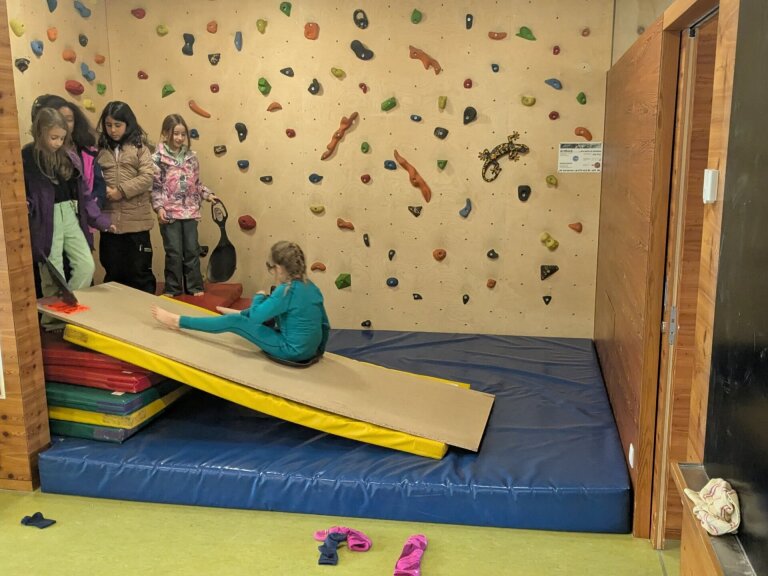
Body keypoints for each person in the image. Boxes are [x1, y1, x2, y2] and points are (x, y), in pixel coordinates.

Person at [152, 241, 330, 362]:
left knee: (234, 321)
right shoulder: (311, 287)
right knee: (266, 314)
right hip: (310, 350)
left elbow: (256, 318)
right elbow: (325, 324)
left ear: (279, 268)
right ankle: (237, 313)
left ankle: (177, 321)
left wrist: (258, 297)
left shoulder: (285, 291)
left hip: (291, 351)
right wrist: (318, 352)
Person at [23, 108, 114, 329]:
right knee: (52, 271)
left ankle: (67, 311)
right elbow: (24, 191)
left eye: (62, 138)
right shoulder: (27, 156)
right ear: (40, 133)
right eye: (53, 137)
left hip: (70, 213)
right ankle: (53, 321)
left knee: (86, 265)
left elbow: (84, 194)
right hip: (46, 217)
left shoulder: (69, 156)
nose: (58, 143)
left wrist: (99, 220)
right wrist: (27, 205)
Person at [151, 114, 217, 297]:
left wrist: (207, 194)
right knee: (173, 251)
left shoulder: (191, 157)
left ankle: (195, 287)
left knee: (191, 250)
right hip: (169, 212)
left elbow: (196, 184)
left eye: (183, 134)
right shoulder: (157, 158)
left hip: (190, 211)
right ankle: (172, 288)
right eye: (175, 133)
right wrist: (159, 208)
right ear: (165, 133)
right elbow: (155, 187)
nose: (179, 138)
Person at [96, 101, 156, 294]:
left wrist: (120, 191)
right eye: (108, 125)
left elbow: (147, 177)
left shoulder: (140, 148)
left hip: (136, 225)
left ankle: (145, 309)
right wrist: (102, 189)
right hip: (110, 223)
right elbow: (92, 177)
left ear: (128, 124)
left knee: (139, 272)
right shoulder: (100, 149)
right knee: (113, 272)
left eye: (118, 125)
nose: (113, 130)